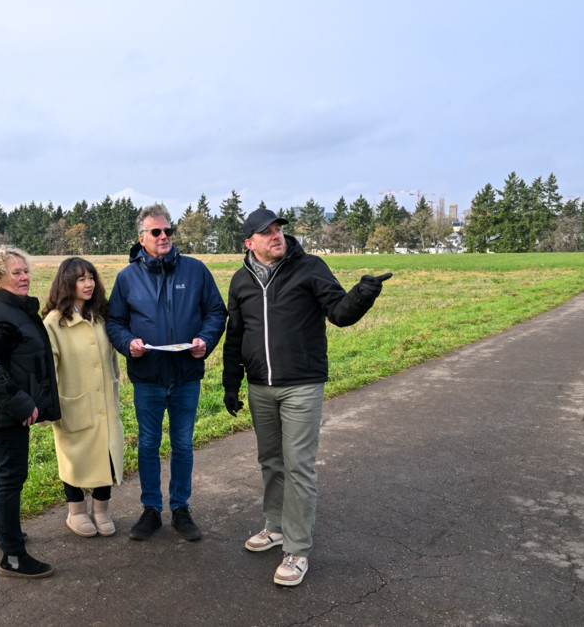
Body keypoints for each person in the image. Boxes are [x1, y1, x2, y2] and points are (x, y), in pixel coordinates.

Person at [222, 207, 391, 586]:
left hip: (302, 383)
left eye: (278, 229)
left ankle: (297, 549)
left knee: (298, 464)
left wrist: (363, 294)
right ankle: (276, 526)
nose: (276, 235)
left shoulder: (310, 267)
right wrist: (230, 383)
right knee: (270, 460)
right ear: (250, 243)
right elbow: (236, 335)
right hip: (259, 386)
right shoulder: (240, 280)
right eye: (265, 232)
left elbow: (339, 313)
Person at [106, 203, 227, 542]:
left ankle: (181, 508)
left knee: (183, 445)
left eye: (168, 231)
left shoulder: (196, 270)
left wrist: (207, 340)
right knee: (147, 445)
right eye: (156, 232)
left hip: (186, 373)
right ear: (141, 237)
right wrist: (128, 343)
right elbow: (114, 322)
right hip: (148, 376)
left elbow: (216, 311)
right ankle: (150, 510)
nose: (164, 237)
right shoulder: (127, 278)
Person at [0, 245, 61, 579]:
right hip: (6, 409)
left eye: (25, 271)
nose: (24, 277)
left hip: (4, 406)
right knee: (10, 475)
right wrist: (21, 404)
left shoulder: (11, 309)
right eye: (16, 272)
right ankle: (14, 556)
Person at [42, 257, 125, 538]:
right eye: (81, 279)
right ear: (67, 283)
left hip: (104, 402)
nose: (89, 283)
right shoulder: (54, 323)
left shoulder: (100, 315)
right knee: (74, 458)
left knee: (107, 455)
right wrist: (48, 405)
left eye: (91, 277)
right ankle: (75, 511)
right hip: (72, 403)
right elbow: (48, 369)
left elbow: (112, 355)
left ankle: (101, 510)